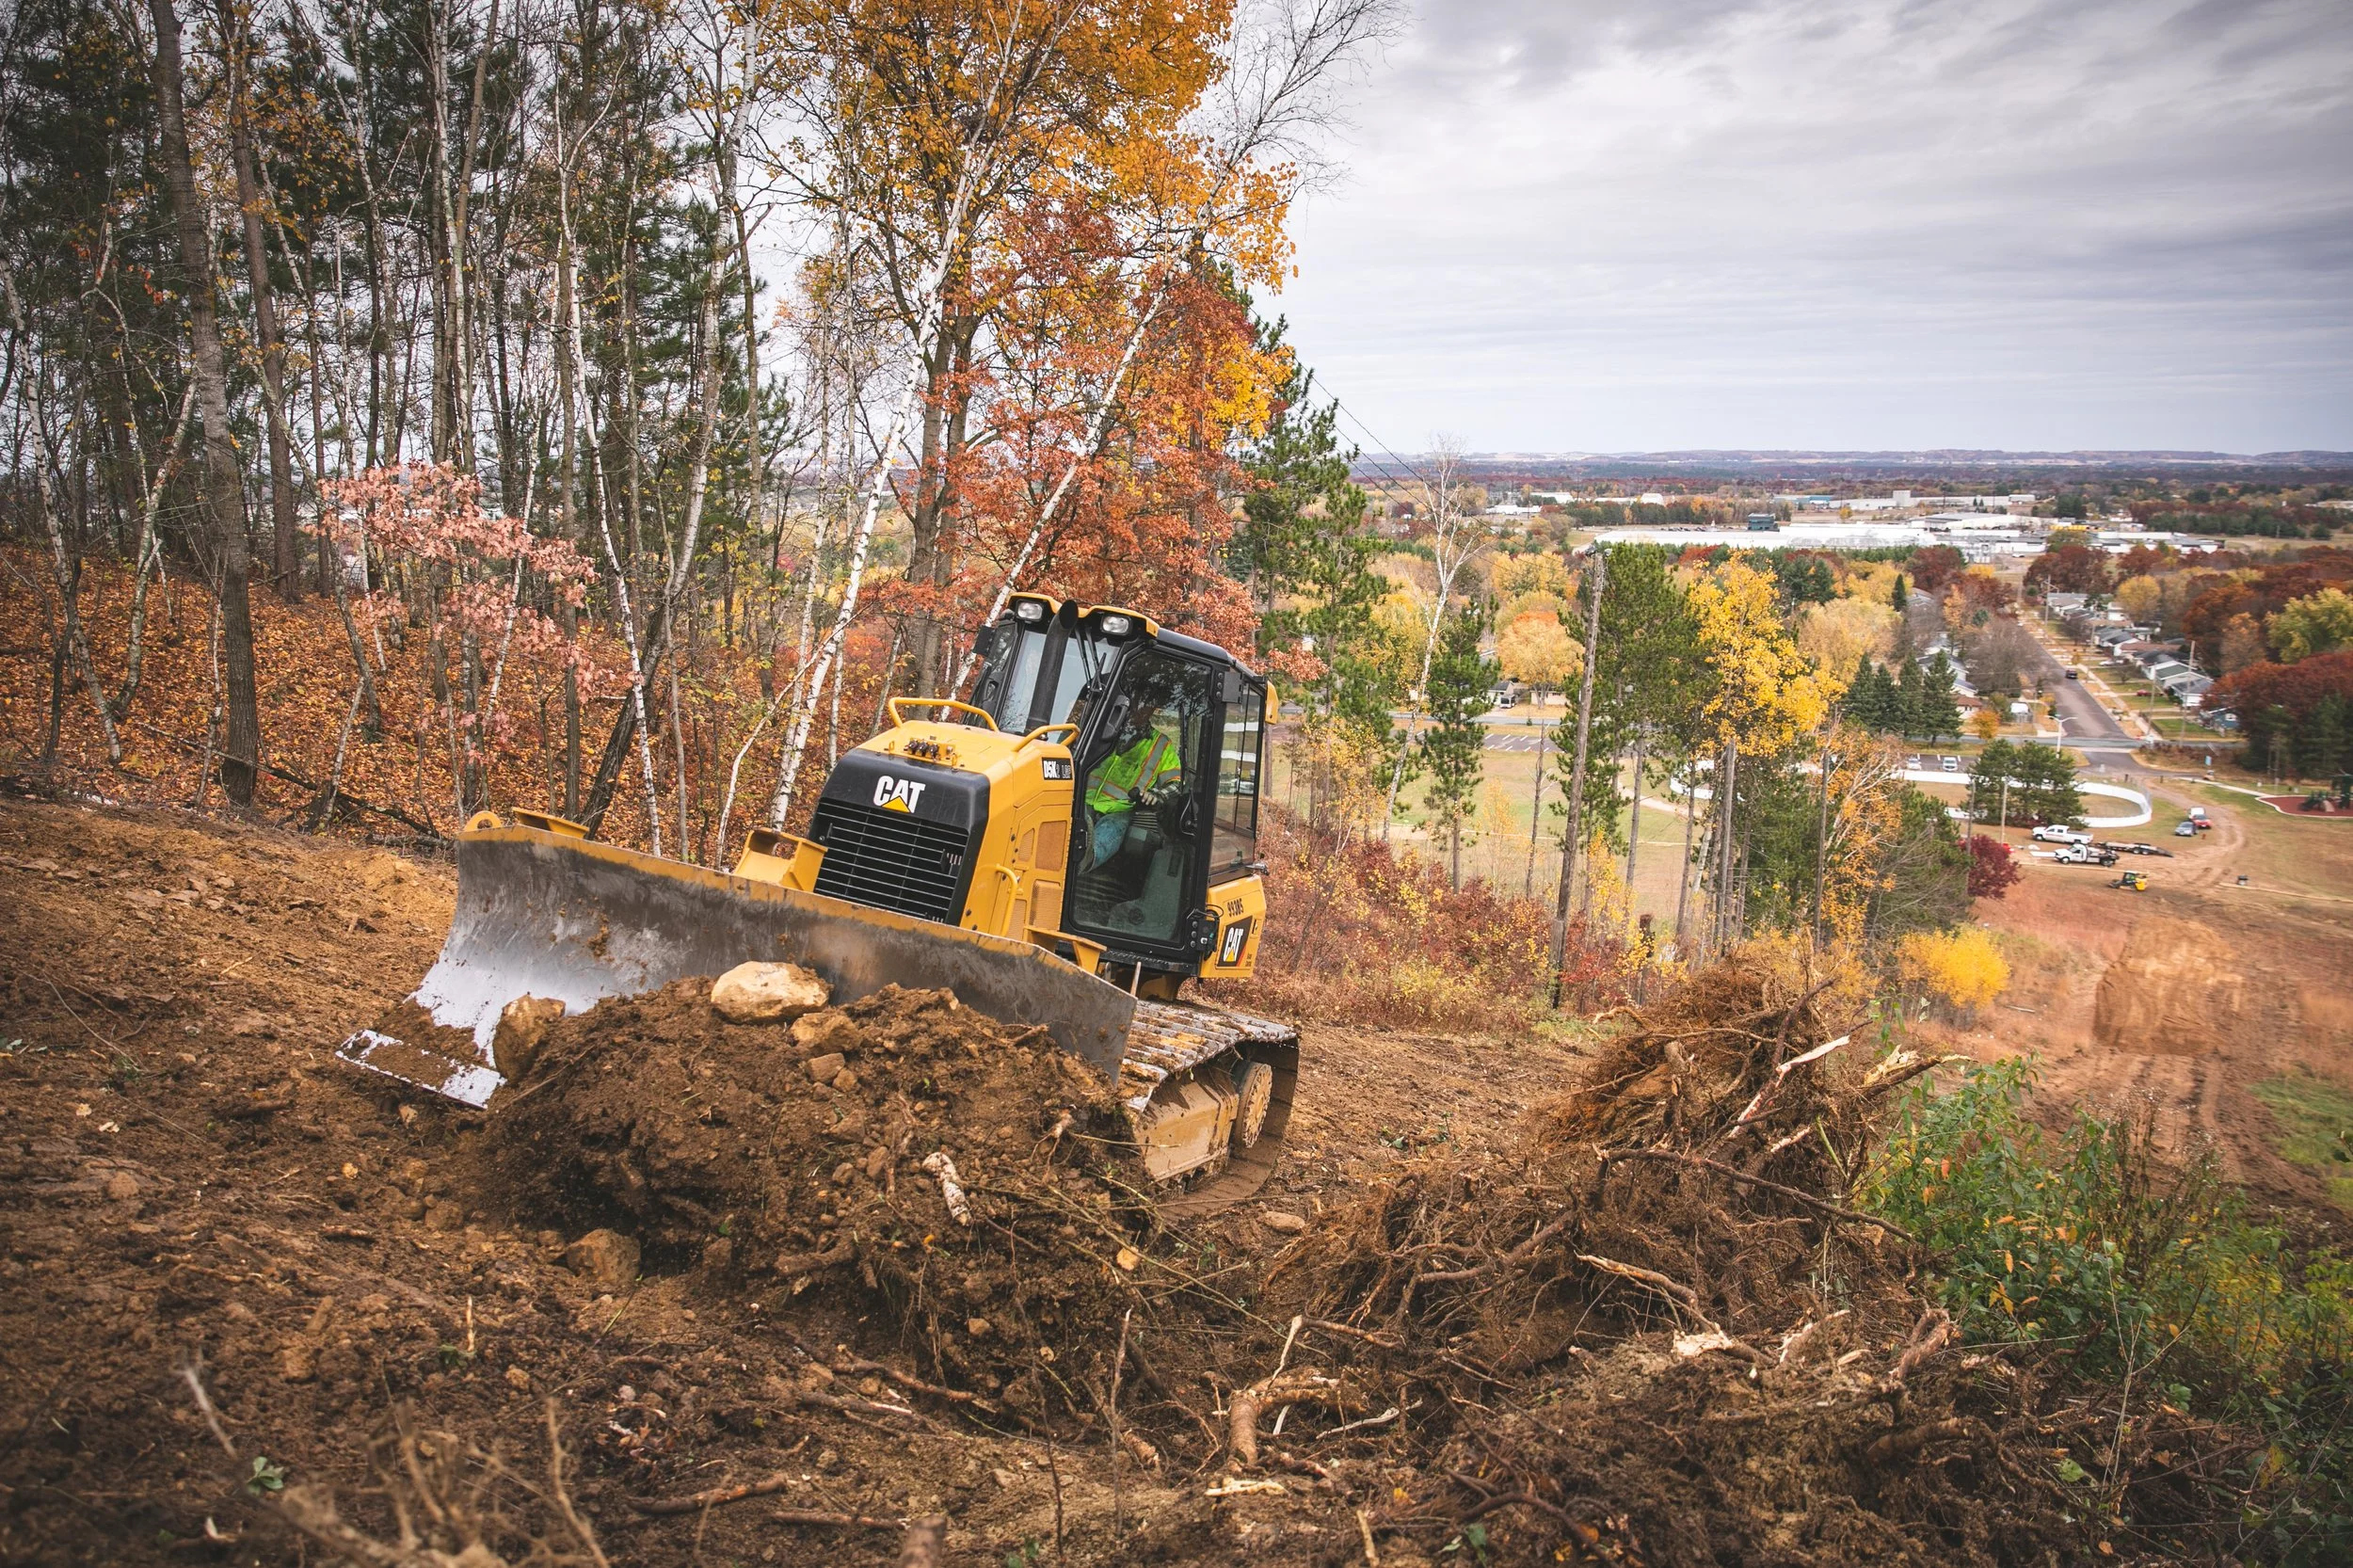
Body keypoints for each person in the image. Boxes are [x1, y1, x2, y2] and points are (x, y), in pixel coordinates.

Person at [1085, 701, 1181, 867]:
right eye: (1136, 703)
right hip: (1083, 799)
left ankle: (1085, 860)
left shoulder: (1161, 745)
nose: (1140, 708)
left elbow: (1175, 784)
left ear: (1152, 709)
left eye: (1146, 705)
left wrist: (1156, 796)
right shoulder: (1101, 729)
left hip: (1121, 809)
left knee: (1112, 828)